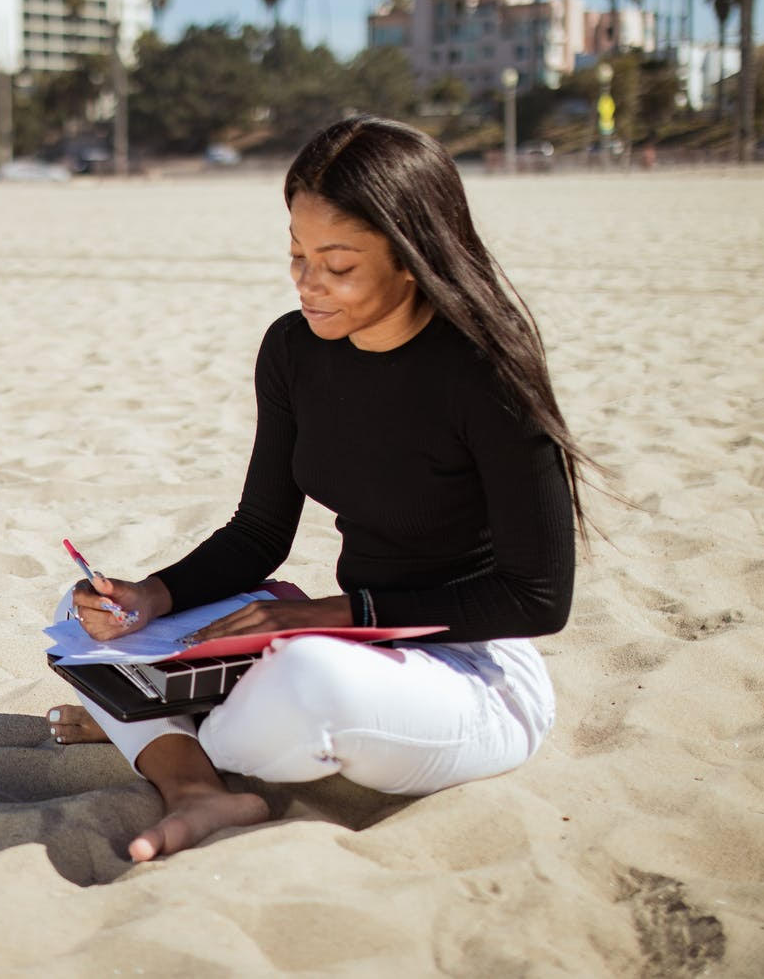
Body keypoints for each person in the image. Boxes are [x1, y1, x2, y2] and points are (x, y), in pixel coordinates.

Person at [47, 115, 591, 863]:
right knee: (90, 618)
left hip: (470, 676)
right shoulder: (293, 351)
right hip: (346, 641)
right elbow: (260, 530)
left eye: (338, 264)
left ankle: (154, 730)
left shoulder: (486, 373)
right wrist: (150, 595)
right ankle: (195, 783)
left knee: (305, 679)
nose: (308, 282)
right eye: (297, 255)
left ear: (413, 259)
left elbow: (538, 599)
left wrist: (337, 613)